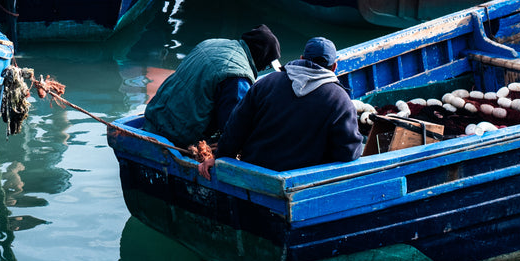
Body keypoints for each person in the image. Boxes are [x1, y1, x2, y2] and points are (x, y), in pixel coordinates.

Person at [198, 37, 363, 177]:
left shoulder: (266, 83)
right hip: (301, 183)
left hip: (253, 174)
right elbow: (348, 152)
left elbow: (235, 128)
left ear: (301, 58)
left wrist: (220, 158)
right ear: (334, 67)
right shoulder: (340, 100)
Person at [144, 25, 282, 146]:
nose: (264, 69)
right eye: (267, 65)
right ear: (260, 57)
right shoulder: (238, 75)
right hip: (178, 136)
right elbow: (232, 127)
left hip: (154, 117)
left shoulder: (212, 43)